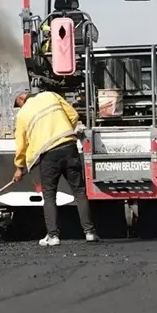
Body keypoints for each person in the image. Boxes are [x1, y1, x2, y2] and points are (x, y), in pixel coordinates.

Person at [12, 91, 98, 247]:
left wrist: (20, 166)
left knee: (49, 195)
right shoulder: (51, 95)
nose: (19, 107)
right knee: (79, 191)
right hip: (69, 146)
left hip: (48, 154)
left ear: (21, 99)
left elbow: (21, 144)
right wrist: (63, 133)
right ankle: (90, 233)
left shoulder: (22, 114)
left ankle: (53, 236)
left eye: (18, 104)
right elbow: (72, 115)